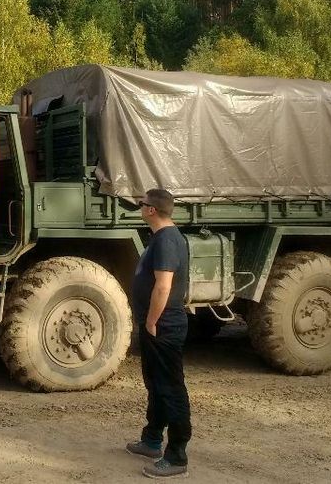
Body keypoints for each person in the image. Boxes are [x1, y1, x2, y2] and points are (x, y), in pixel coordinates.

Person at [125, 188, 192, 478]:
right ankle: (152, 439)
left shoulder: (166, 240)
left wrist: (152, 321)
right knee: (156, 385)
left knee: (170, 389)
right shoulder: (166, 237)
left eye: (142, 204)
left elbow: (163, 286)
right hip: (159, 323)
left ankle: (177, 457)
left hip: (163, 325)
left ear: (151, 210)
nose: (140, 207)